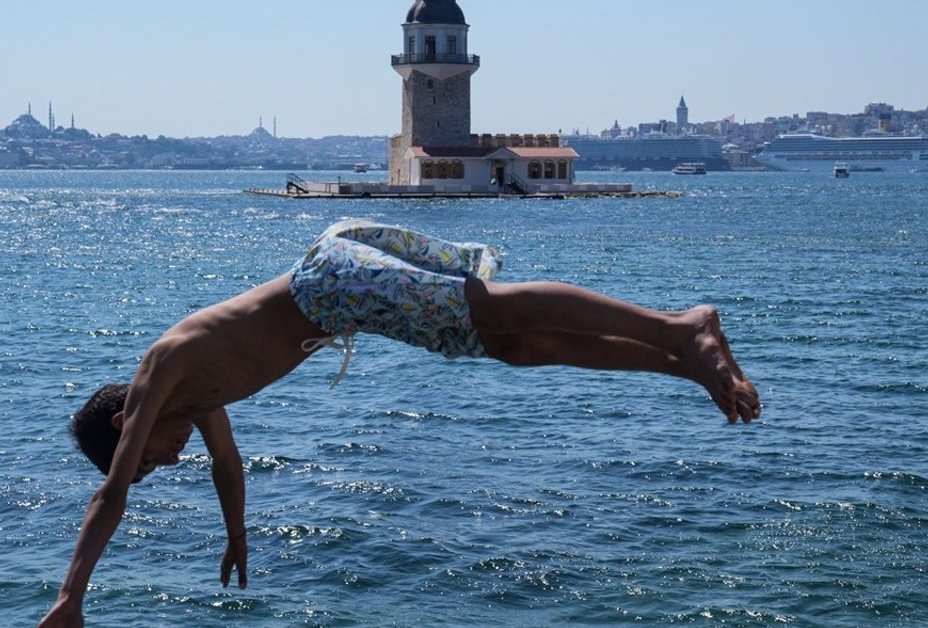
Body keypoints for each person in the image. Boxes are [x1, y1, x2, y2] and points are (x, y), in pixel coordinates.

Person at [37, 220, 760, 627]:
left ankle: (679, 326)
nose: (168, 455)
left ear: (125, 418)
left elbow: (112, 497)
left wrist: (73, 594)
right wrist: (236, 536)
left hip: (333, 284)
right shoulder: (192, 402)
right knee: (505, 345)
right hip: (345, 297)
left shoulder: (161, 370)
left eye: (152, 454)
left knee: (498, 312)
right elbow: (228, 465)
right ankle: (684, 362)